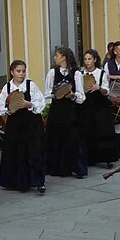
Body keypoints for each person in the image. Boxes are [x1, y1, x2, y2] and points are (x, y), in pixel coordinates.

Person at [0, 59, 46, 193]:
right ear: (12, 72)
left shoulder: (31, 85)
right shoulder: (7, 88)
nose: (21, 74)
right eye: (18, 71)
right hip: (15, 124)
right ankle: (18, 182)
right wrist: (8, 110)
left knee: (34, 151)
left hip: (31, 123)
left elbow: (40, 102)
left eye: (23, 71)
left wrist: (29, 105)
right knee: (16, 152)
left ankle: (39, 181)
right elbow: (0, 107)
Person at [44, 46, 87, 178]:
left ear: (64, 57)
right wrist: (56, 94)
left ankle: (74, 167)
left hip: (71, 111)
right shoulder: (52, 73)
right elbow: (47, 93)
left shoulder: (76, 73)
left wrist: (72, 95)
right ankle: (56, 167)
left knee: (72, 138)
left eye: (57, 55)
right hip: (57, 110)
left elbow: (81, 97)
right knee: (55, 138)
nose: (55, 58)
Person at [79, 48, 119, 166]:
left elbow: (107, 91)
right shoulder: (81, 73)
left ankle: (107, 159)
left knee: (102, 130)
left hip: (99, 104)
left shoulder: (101, 73)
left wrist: (98, 88)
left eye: (89, 59)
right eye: (85, 59)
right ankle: (90, 158)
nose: (87, 62)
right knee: (88, 130)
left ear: (95, 60)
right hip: (86, 104)